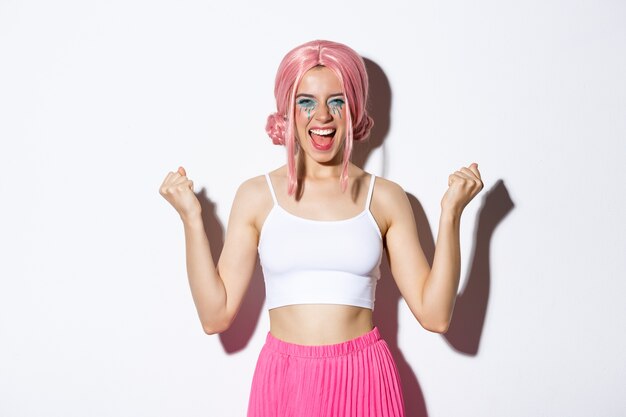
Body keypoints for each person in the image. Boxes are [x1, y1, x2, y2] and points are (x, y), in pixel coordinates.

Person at [159, 39, 483, 417]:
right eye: (306, 101)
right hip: (285, 380)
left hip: (364, 378)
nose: (322, 117)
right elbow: (215, 316)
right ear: (288, 111)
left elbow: (435, 314)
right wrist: (190, 218)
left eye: (338, 100)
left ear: (355, 109)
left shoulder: (386, 198)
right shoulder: (256, 196)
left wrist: (451, 214)